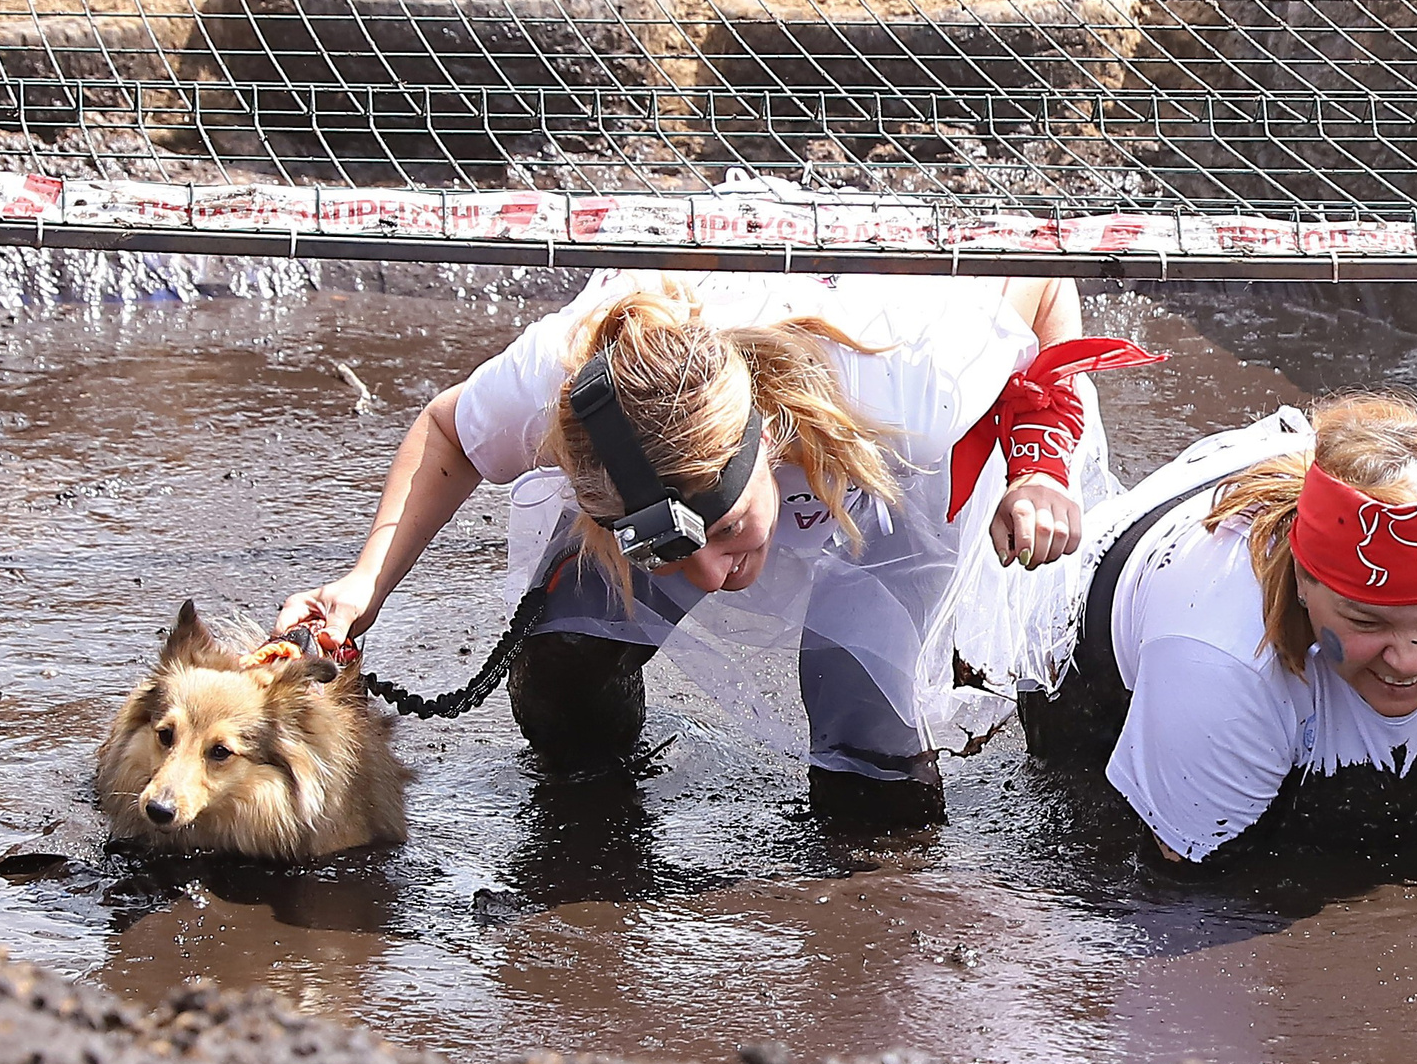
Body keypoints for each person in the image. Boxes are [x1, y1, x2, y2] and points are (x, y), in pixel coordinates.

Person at [278, 271, 1150, 825]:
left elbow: (1042, 287)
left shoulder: (912, 376)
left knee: (857, 710)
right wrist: (361, 589)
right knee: (564, 659)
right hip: (702, 444)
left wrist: (1040, 464)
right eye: (670, 551)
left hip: (873, 467)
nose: (713, 579)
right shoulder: (563, 377)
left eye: (726, 531)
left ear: (763, 439)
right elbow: (451, 433)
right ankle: (591, 819)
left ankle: (873, 921)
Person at [1018, 395, 1417, 862]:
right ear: (1303, 584)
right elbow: (1183, 887)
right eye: (1368, 620)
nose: (1406, 660)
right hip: (1101, 618)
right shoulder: (1220, 656)